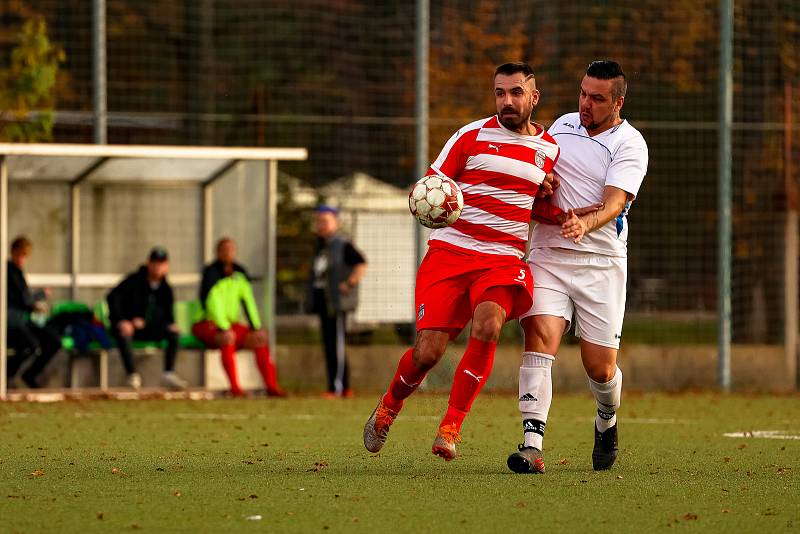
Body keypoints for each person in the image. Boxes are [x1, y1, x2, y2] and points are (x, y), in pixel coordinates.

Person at [363, 62, 562, 461]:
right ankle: (389, 405)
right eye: (500, 93)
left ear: (533, 97)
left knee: (488, 325)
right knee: (428, 353)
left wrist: (558, 205)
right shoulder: (470, 136)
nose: (507, 100)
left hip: (502, 259)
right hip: (450, 255)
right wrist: (429, 206)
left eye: (516, 92)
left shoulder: (550, 150)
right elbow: (431, 187)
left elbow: (542, 205)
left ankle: (451, 427)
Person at [506, 60, 649, 474]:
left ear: (618, 102)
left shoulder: (630, 144)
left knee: (599, 368)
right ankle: (532, 444)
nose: (586, 104)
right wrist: (542, 182)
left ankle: (607, 419)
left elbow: (615, 202)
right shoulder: (563, 125)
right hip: (550, 255)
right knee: (538, 335)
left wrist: (585, 222)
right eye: (583, 93)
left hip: (601, 263)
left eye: (597, 98)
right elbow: (540, 168)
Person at [192, 237, 285, 397]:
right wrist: (223, 327)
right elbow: (212, 303)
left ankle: (271, 386)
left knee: (259, 339)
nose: (228, 253)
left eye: (231, 249)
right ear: (218, 252)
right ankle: (235, 388)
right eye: (224, 249)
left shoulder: (240, 273)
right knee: (228, 338)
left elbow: (249, 303)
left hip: (230, 324)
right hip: (207, 324)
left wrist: (256, 327)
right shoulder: (211, 273)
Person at [306, 204, 367, 398]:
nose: (321, 225)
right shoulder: (320, 245)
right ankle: (334, 385)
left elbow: (361, 263)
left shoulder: (342, 244)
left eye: (325, 221)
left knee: (337, 346)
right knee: (329, 345)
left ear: (335, 223)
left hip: (338, 303)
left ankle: (340, 387)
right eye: (318, 221)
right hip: (324, 303)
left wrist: (349, 283)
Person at [107, 247, 188, 390]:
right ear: (148, 263)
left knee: (174, 334)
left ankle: (168, 373)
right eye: (155, 263)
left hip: (150, 328)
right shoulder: (133, 280)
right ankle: (132, 375)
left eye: (161, 264)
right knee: (124, 334)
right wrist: (123, 320)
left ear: (166, 267)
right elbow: (113, 298)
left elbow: (166, 315)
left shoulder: (166, 289)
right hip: (128, 327)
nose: (158, 267)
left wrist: (170, 324)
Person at [5, 236, 61, 388]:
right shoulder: (8, 271)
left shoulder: (17, 271)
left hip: (24, 320)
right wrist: (41, 294)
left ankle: (30, 374)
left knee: (53, 341)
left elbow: (25, 299)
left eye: (25, 256)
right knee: (30, 345)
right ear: (13, 252)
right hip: (13, 322)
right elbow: (24, 300)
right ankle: (6, 376)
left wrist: (35, 303)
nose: (22, 259)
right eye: (21, 255)